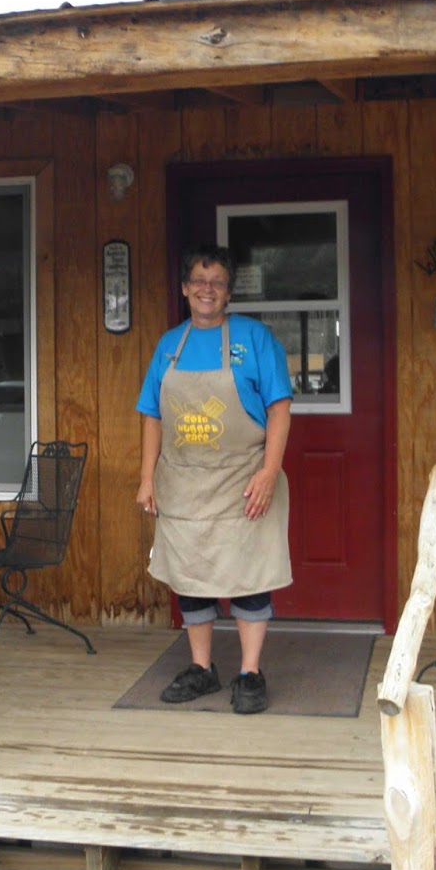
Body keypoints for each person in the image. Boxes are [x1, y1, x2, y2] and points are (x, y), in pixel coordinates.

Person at [135, 243, 293, 714]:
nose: (208, 289)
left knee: (250, 574)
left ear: (229, 292)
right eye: (199, 281)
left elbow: (279, 409)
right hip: (182, 482)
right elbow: (152, 415)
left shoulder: (255, 339)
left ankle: (250, 673)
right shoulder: (169, 345)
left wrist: (269, 472)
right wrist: (147, 478)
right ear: (185, 289)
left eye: (218, 282)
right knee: (190, 576)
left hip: (244, 479)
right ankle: (202, 668)